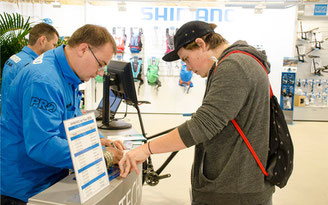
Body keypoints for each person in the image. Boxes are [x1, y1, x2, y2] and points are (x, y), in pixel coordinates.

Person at [119, 21, 275, 205]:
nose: (188, 67)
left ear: (201, 44)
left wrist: (145, 150)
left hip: (234, 191)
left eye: (186, 58)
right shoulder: (235, 63)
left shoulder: (234, 66)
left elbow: (203, 125)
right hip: (234, 184)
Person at [0, 24, 124, 204]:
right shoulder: (44, 80)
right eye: (100, 64)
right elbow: (42, 145)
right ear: (83, 49)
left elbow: (72, 118)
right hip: (26, 189)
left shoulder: (66, 73)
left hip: (48, 178)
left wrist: (96, 139)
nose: (100, 73)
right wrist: (102, 156)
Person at [1, 23, 59, 114]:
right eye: (54, 45)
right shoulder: (32, 66)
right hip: (21, 124)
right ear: (42, 40)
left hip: (7, 119)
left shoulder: (14, 58)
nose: (54, 50)